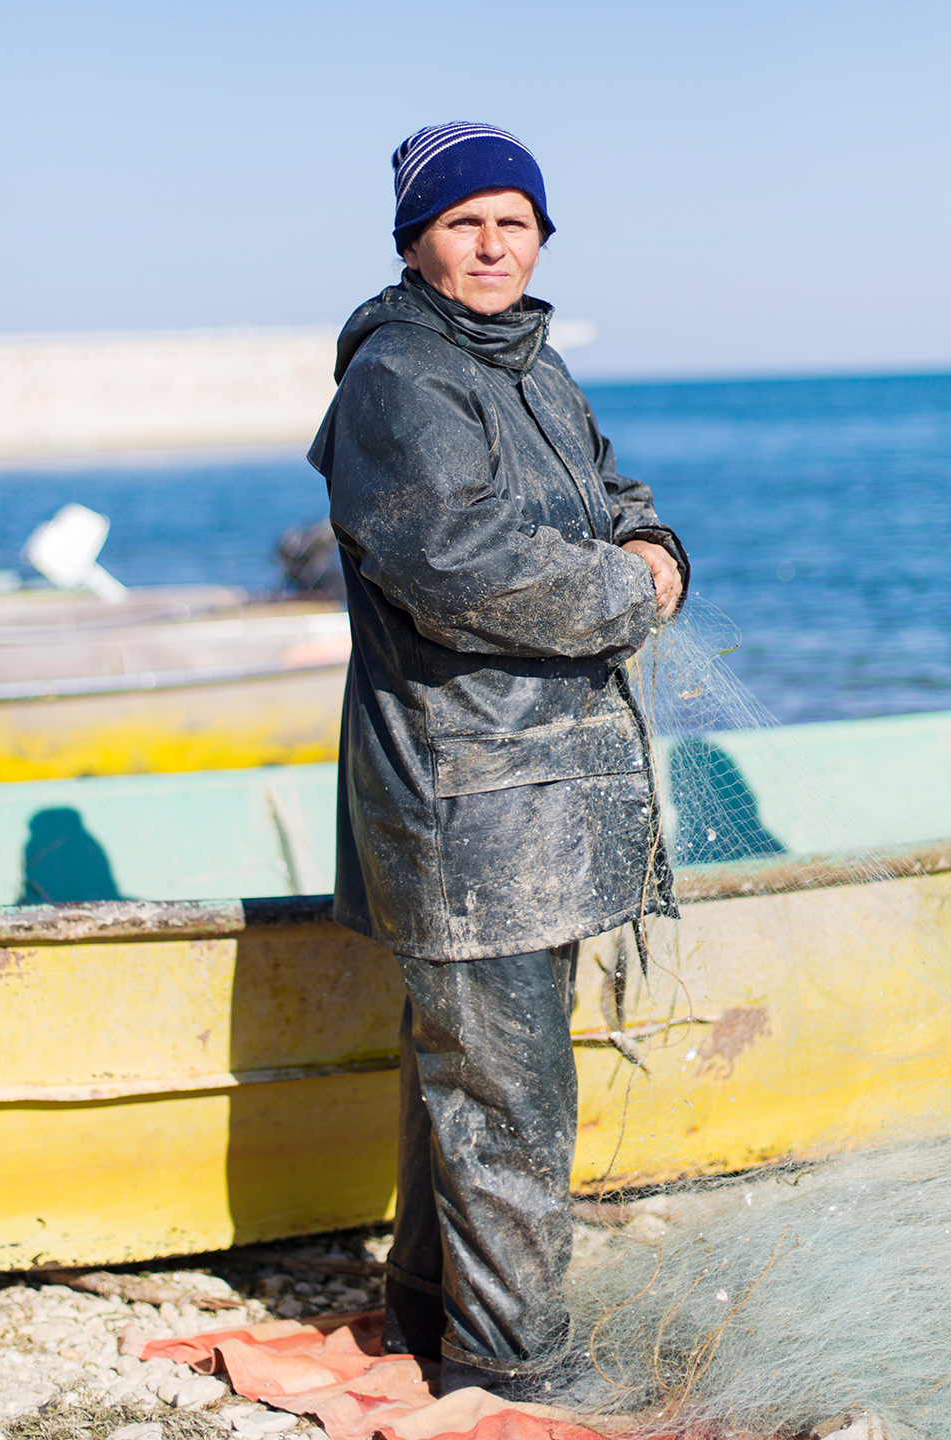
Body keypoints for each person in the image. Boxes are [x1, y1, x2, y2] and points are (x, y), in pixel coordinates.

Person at [307, 122, 688, 1401]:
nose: (489, 244)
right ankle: (517, 1368)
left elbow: (610, 495)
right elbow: (456, 567)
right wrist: (629, 596)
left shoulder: (532, 364)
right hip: (461, 795)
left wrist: (656, 547)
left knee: (464, 1077)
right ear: (416, 238)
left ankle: (427, 1310)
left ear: (539, 239)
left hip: (538, 795)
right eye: (463, 222)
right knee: (508, 1093)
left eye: (511, 223)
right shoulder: (400, 378)